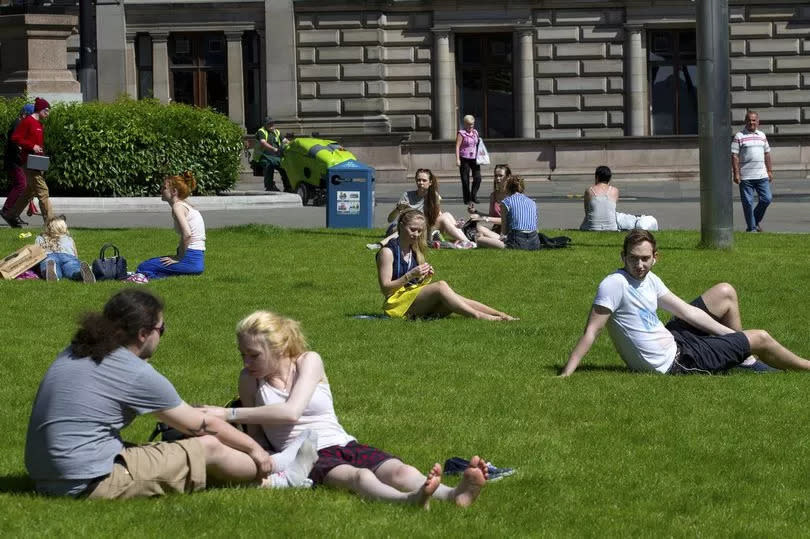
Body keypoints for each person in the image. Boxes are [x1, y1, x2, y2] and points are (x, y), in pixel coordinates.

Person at [25, 289, 319, 499]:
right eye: (161, 329)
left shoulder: (78, 350)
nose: (161, 335)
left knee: (161, 448)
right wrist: (255, 450)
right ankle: (281, 476)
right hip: (86, 481)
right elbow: (200, 425)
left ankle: (273, 472)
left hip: (48, 474)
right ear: (143, 334)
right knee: (207, 447)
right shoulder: (133, 371)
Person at [200, 310, 490, 509]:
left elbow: (291, 411)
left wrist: (225, 413)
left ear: (279, 348)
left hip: (342, 441)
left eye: (254, 355)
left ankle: (454, 495)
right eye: (243, 355)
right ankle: (408, 502)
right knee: (358, 478)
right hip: (306, 455)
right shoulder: (249, 381)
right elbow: (258, 437)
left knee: (401, 470)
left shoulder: (308, 361)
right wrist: (265, 460)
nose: (247, 362)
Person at [560, 229, 810, 377]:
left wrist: (732, 338)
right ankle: (806, 367)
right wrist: (567, 372)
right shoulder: (614, 284)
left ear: (655, 258)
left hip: (674, 339)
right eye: (633, 259)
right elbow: (592, 331)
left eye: (645, 259)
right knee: (761, 338)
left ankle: (742, 357)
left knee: (725, 291)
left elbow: (688, 312)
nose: (639, 265)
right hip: (678, 362)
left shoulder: (650, 279)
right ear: (623, 256)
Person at [375, 209, 515, 320]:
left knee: (454, 298)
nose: (416, 234)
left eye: (420, 231)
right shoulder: (387, 252)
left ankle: (500, 314)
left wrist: (424, 276)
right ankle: (479, 316)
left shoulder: (415, 248)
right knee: (441, 286)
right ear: (401, 226)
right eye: (412, 229)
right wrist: (410, 275)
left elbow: (414, 284)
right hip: (396, 304)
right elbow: (386, 289)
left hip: (411, 299)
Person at [378, 168, 473, 249]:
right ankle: (468, 242)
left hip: (425, 227)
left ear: (430, 182)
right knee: (443, 218)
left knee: (446, 215)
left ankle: (464, 241)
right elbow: (390, 219)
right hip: (405, 228)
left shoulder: (433, 196)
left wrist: (456, 224)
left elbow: (439, 215)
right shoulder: (407, 195)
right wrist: (398, 209)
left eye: (424, 180)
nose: (420, 183)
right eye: (418, 180)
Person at [136, 171, 206, 279]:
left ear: (174, 191)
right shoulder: (185, 204)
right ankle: (167, 275)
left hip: (190, 258)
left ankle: (149, 277)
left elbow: (187, 234)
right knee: (152, 263)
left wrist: (179, 257)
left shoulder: (178, 207)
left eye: (164, 188)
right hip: (196, 258)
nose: (161, 190)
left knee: (144, 266)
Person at [7, 97, 52, 224]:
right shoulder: (28, 121)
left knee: (29, 191)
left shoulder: (38, 124)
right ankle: (50, 223)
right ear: (39, 109)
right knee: (43, 191)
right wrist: (32, 146)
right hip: (29, 162)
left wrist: (40, 151)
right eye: (46, 110)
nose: (48, 113)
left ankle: (11, 214)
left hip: (37, 162)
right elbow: (15, 138)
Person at [731, 111, 773, 232]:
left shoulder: (762, 135)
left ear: (758, 122)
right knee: (748, 203)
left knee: (767, 198)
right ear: (746, 121)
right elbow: (734, 155)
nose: (751, 122)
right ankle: (752, 228)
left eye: (754, 120)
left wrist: (770, 170)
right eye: (749, 120)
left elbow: (767, 154)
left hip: (762, 175)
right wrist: (736, 173)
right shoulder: (739, 136)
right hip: (746, 177)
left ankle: (754, 221)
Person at [2, 103, 35, 227]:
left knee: (23, 186)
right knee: (21, 184)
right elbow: (17, 145)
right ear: (24, 114)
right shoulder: (18, 124)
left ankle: (13, 213)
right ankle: (7, 211)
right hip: (14, 161)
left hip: (17, 161)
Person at [36, 215, 95, 283]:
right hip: (68, 257)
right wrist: (75, 261)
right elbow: (75, 254)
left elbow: (37, 254)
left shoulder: (40, 238)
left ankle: (51, 270)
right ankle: (80, 273)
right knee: (73, 270)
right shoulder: (69, 238)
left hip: (49, 257)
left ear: (48, 227)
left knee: (50, 268)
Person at [500, 176, 540, 250]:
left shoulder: (506, 202)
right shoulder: (532, 202)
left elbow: (504, 231)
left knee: (481, 239)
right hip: (535, 242)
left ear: (507, 187)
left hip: (517, 239)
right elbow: (536, 228)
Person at [252, 117, 289, 192]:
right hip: (263, 156)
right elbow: (263, 142)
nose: (271, 125)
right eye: (269, 124)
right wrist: (273, 149)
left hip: (276, 156)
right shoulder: (261, 131)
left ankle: (288, 186)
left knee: (285, 166)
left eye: (272, 123)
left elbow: (285, 141)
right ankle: (270, 186)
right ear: (265, 125)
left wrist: (292, 144)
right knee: (269, 165)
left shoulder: (277, 132)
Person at [580, 166, 619, 231]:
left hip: (592, 227)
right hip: (611, 227)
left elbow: (587, 212)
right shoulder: (615, 191)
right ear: (609, 178)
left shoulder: (589, 191)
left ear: (597, 177)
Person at [455, 115, 482, 207]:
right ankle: (467, 199)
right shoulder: (461, 133)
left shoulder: (475, 132)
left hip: (474, 158)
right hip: (464, 158)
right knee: (465, 180)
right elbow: (457, 146)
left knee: (478, 178)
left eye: (472, 124)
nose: (471, 126)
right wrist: (457, 159)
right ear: (465, 124)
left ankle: (473, 195)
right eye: (469, 124)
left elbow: (477, 144)